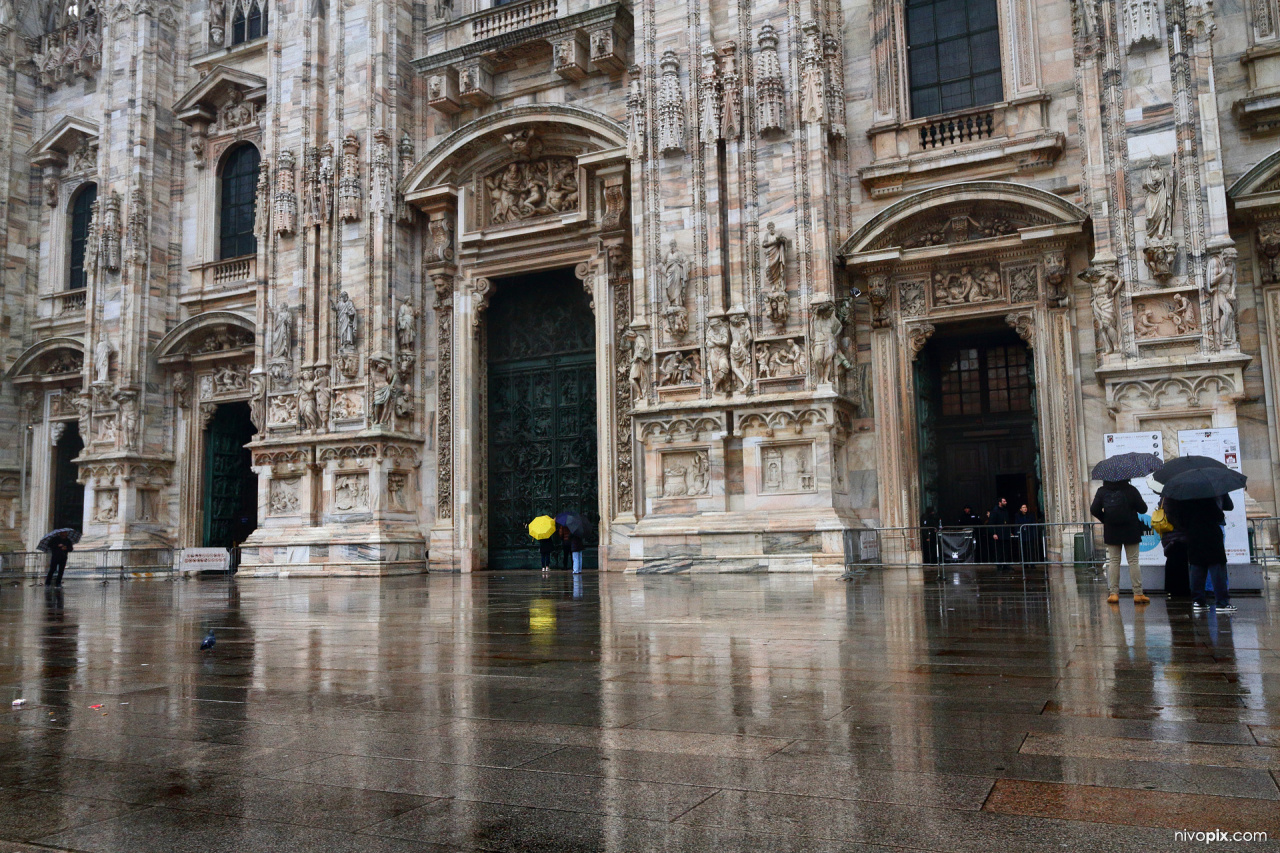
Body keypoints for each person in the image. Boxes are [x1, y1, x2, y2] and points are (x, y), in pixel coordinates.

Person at [1165, 494, 1235, 613]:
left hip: (1193, 534)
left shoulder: (1183, 497)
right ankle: (1222, 603)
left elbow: (1178, 519)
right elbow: (1221, 513)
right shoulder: (1210, 493)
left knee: (1197, 566)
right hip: (1212, 533)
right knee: (1217, 566)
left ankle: (1198, 601)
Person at [1091, 479, 1149, 604]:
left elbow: (1094, 509)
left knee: (1114, 561)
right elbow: (1143, 509)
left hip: (1112, 531)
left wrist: (1106, 519)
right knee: (1133, 561)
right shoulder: (1131, 490)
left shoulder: (1102, 491)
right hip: (1131, 529)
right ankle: (1138, 594)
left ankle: (1114, 594)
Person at [988, 498, 1013, 569]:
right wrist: (994, 533)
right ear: (1000, 502)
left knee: (1006, 550)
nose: (1006, 502)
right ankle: (999, 565)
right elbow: (991, 523)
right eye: (1004, 501)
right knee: (999, 550)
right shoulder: (995, 511)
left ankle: (1006, 564)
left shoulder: (1005, 511)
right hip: (998, 534)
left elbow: (1007, 522)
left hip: (1005, 533)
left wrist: (1009, 531)